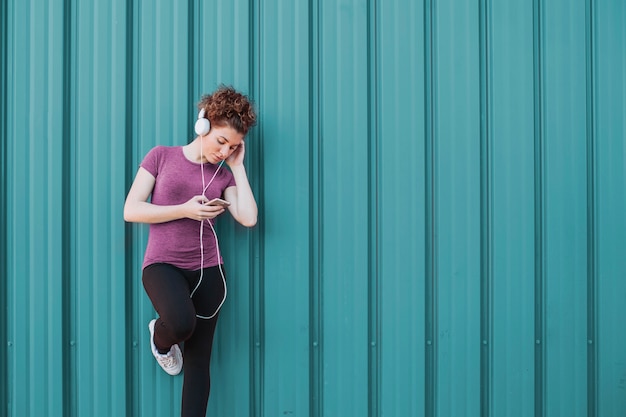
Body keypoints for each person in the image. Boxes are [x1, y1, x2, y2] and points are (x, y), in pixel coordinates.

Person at [123, 85, 258, 416]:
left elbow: (249, 218)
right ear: (204, 125)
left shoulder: (223, 175)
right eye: (221, 141)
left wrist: (238, 168)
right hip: (163, 265)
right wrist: (184, 209)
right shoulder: (161, 156)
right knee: (181, 324)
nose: (224, 151)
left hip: (209, 271)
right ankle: (160, 338)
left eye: (233, 146)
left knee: (199, 362)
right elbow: (132, 209)